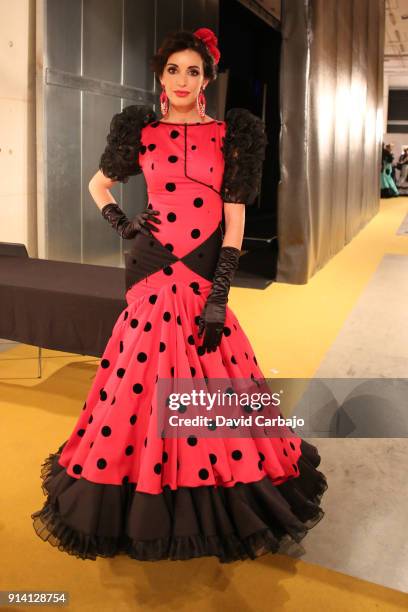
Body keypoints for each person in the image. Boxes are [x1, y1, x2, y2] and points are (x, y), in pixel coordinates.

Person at [31, 27, 328, 563]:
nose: (182, 80)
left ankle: (214, 487)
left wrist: (220, 294)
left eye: (193, 71)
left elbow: (233, 218)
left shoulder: (232, 134)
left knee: (213, 372)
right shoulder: (139, 131)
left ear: (207, 79)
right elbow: (98, 185)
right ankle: (137, 482)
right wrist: (124, 225)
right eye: (173, 70)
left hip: (203, 268)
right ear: (161, 77)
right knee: (139, 375)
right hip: (150, 268)